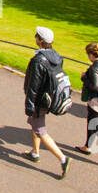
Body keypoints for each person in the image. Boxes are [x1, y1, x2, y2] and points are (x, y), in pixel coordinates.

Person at [23, 26, 69, 178]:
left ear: (40, 40)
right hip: (49, 98)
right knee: (35, 124)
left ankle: (62, 159)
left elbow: (33, 85)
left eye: (36, 36)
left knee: (41, 130)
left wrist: (29, 104)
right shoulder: (55, 56)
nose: (35, 37)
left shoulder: (38, 60)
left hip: (39, 100)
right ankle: (35, 152)